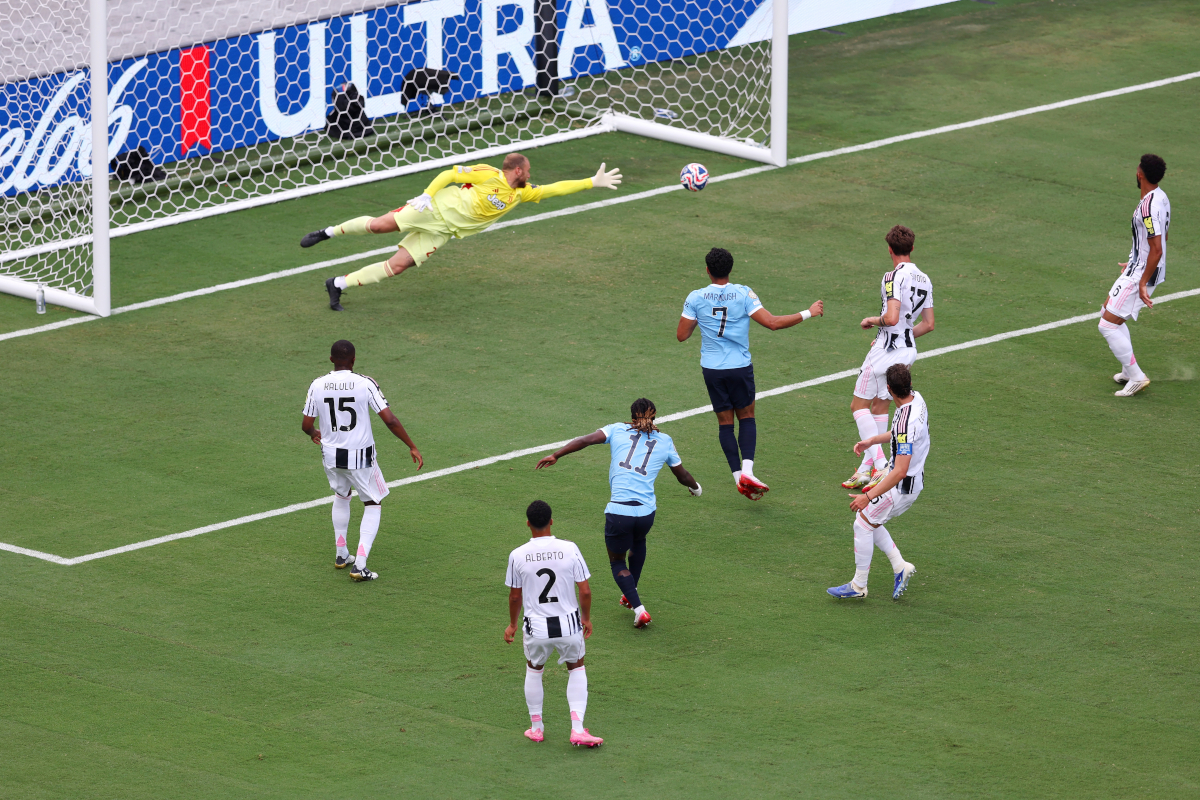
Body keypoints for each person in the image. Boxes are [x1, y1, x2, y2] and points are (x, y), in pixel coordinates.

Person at [300, 153, 622, 310]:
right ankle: (328, 232)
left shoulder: (521, 192)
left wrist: (591, 182)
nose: (530, 177)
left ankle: (337, 284)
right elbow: (450, 173)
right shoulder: (488, 173)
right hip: (432, 210)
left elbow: (554, 189)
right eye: (528, 172)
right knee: (378, 226)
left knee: (396, 267)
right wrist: (426, 195)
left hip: (444, 232)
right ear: (519, 170)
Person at [535, 399, 700, 628]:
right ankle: (630, 595)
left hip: (619, 512)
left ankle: (639, 609)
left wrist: (557, 454)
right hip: (646, 513)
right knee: (639, 541)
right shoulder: (665, 440)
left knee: (617, 562)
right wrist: (696, 488)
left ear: (632, 417)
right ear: (654, 417)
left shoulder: (617, 429)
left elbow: (585, 440)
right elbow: (682, 475)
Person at [676, 247, 823, 500]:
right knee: (747, 416)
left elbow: (682, 335)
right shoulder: (743, 293)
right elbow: (773, 323)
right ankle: (748, 471)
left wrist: (701, 319)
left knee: (725, 423)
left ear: (708, 271)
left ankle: (738, 478)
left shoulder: (696, 297)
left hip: (712, 369)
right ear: (730, 269)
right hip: (739, 368)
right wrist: (809, 312)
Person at [301, 339, 423, 580]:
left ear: (331, 359)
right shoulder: (365, 383)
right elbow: (390, 419)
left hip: (331, 455)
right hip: (361, 457)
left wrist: (314, 434)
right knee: (373, 503)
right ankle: (360, 565)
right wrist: (411, 445)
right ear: (354, 360)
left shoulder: (317, 384)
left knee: (341, 496)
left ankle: (341, 554)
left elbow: (306, 425)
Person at [843, 226, 934, 493]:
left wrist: (872, 322)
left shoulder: (892, 276)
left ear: (890, 250)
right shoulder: (925, 279)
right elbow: (928, 324)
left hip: (887, 349)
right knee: (881, 406)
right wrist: (900, 336)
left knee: (858, 406)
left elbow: (892, 318)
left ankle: (881, 464)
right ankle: (865, 470)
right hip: (906, 350)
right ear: (912, 248)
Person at [504, 500, 603, 747]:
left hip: (535, 627)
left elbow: (515, 596)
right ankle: (578, 729)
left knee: (534, 670)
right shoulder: (570, 549)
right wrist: (587, 618)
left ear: (528, 524)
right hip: (568, 625)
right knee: (577, 668)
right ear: (551, 521)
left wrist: (512, 625)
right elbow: (586, 591)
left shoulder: (517, 554)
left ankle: (536, 728)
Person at [828, 364, 923, 601]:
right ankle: (900, 566)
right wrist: (872, 440)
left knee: (862, 523)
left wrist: (867, 496)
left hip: (902, 486)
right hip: (909, 480)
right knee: (870, 520)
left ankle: (859, 586)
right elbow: (900, 434)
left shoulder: (904, 424)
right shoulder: (916, 400)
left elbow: (900, 470)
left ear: (889, 389)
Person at [1099, 154, 1170, 397]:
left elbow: (1158, 248)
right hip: (1137, 266)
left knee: (1108, 324)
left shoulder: (1148, 208)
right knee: (1108, 311)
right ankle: (1128, 371)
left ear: (1140, 174)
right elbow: (1161, 238)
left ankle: (1137, 376)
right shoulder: (1160, 197)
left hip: (1142, 272)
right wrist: (1135, 258)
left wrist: (1142, 281)